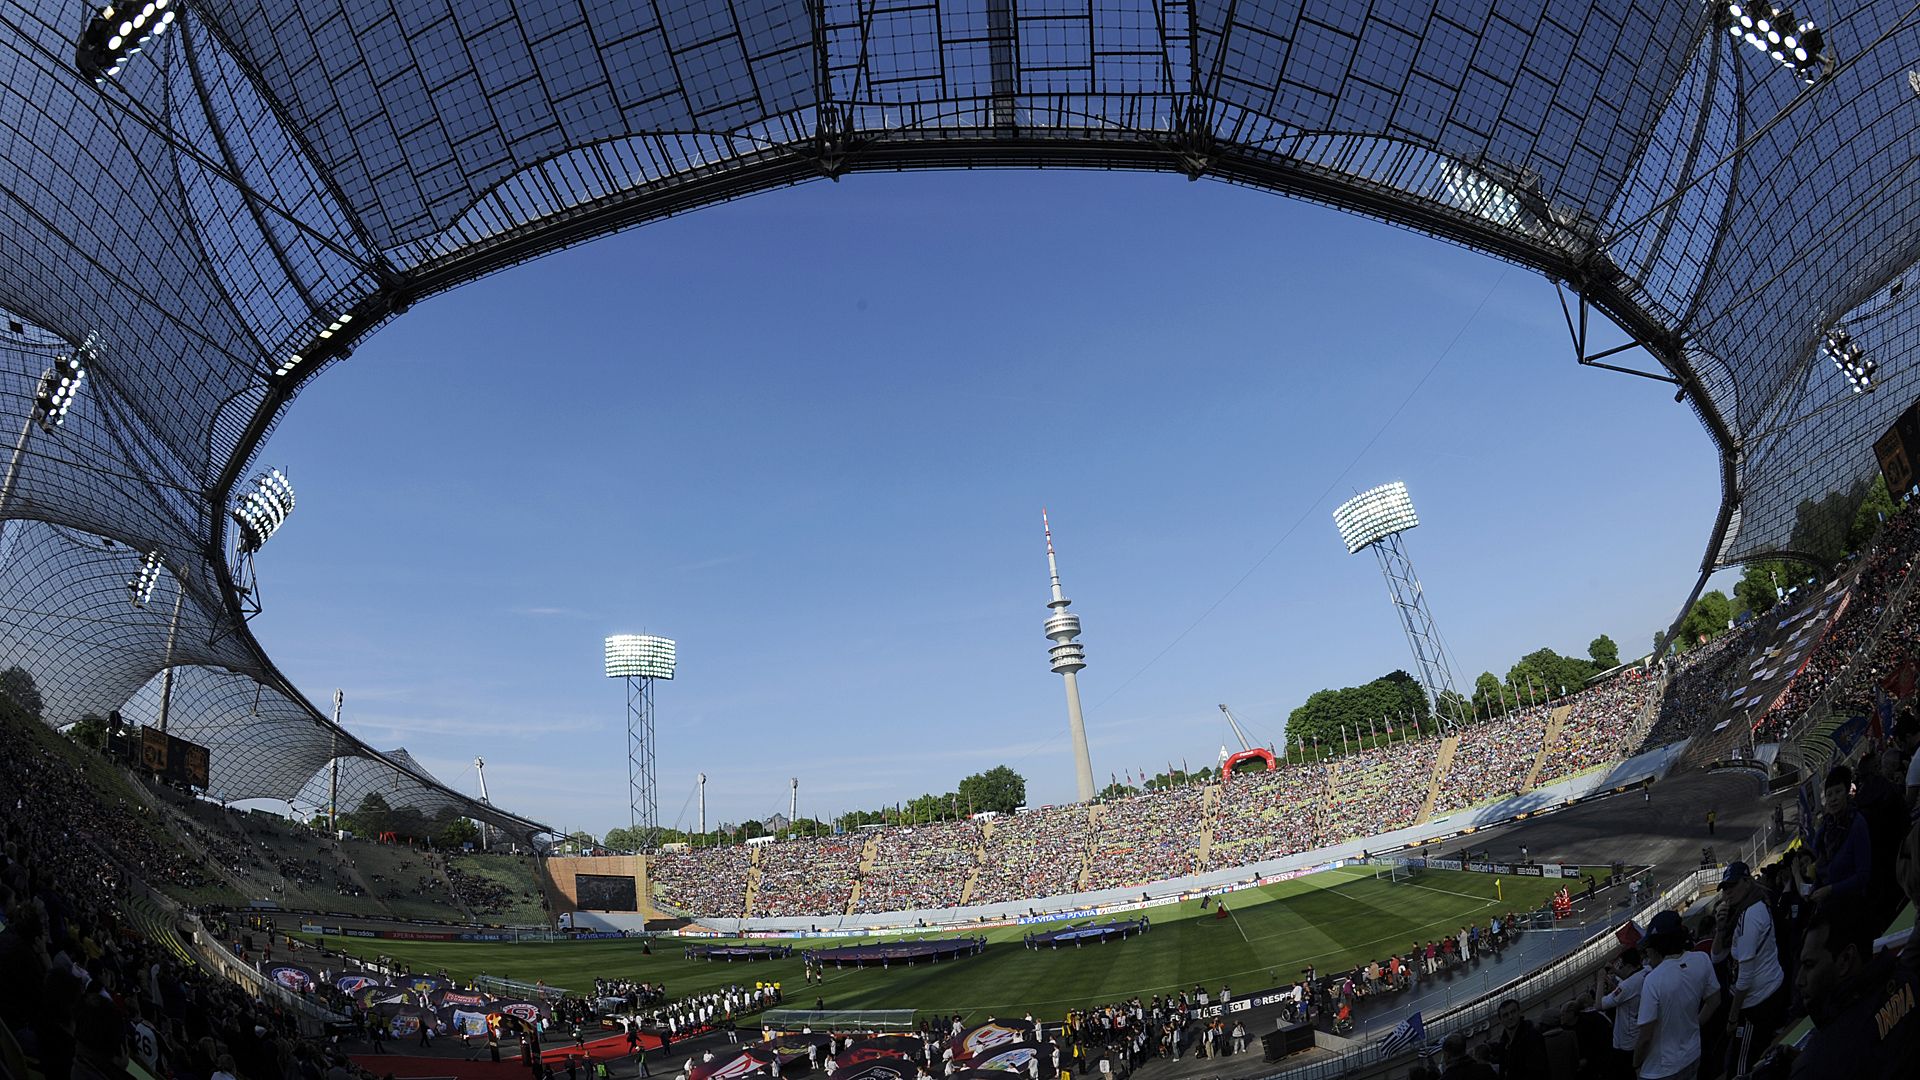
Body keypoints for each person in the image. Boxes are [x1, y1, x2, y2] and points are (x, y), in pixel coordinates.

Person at [1712, 860, 1788, 1076]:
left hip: (1755, 1004)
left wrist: (1733, 1018)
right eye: (1725, 888)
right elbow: (1717, 956)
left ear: (1747, 882)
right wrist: (1719, 928)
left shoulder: (1750, 915)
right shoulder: (1743, 911)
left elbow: (1744, 977)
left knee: (1740, 1067)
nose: (1728, 892)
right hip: (1767, 993)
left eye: (1733, 885)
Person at [1634, 910, 1720, 1080]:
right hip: (1693, 1055)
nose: (1648, 953)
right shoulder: (1702, 959)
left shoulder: (1653, 980)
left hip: (1660, 1069)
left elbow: (1645, 1037)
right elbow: (1714, 1000)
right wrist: (1694, 1024)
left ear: (1658, 946)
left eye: (1649, 947)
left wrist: (1636, 1064)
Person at [1601, 948, 1647, 1080]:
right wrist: (1615, 972)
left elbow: (1599, 1005)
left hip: (1626, 1042)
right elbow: (1631, 980)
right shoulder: (1647, 971)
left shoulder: (1626, 986)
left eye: (1621, 966)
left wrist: (1600, 980)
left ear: (1627, 965)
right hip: (1639, 1031)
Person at [1493, 999, 1549, 1078]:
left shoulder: (1532, 1036)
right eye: (1505, 1015)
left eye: (1513, 1012)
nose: (1510, 1017)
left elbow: (1538, 1071)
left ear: (1520, 1012)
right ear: (1500, 1020)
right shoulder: (1503, 1044)